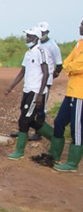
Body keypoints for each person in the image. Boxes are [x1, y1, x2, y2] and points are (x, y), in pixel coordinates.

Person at [4, 27, 51, 160]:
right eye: (27, 36)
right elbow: (22, 72)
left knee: (24, 120)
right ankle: (53, 135)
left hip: (36, 91)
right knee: (28, 118)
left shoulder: (41, 51)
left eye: (30, 36)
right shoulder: (28, 53)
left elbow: (46, 73)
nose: (27, 39)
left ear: (36, 38)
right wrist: (11, 87)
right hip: (27, 90)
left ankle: (19, 151)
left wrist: (40, 94)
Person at [45, 20, 83, 172]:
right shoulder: (79, 44)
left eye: (82, 25)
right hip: (71, 92)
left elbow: (78, 65)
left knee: (77, 129)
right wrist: (70, 67)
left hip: (80, 94)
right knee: (59, 122)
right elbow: (67, 63)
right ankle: (54, 155)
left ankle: (73, 163)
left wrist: (71, 67)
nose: (79, 27)